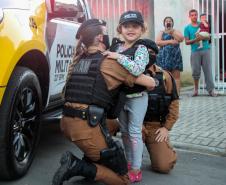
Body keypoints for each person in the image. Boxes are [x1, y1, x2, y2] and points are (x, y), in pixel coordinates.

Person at [52, 18, 156, 185]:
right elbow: (150, 84)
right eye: (106, 34)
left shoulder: (79, 59)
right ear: (100, 38)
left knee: (110, 129)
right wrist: (153, 77)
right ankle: (77, 166)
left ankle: (93, 157)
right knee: (124, 179)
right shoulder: (109, 62)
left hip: (66, 124)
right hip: (85, 129)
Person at [107, 38, 179, 174]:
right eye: (145, 50)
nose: (148, 54)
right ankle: (109, 155)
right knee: (108, 123)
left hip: (153, 127)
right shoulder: (126, 70)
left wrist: (166, 128)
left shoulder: (165, 76)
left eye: (151, 52)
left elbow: (174, 105)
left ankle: (164, 149)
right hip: (131, 121)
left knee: (163, 166)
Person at [104, 10, 155, 183]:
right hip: (120, 98)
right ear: (120, 29)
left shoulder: (141, 48)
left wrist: (118, 57)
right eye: (126, 26)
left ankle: (136, 168)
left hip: (138, 97)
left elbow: (137, 69)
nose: (130, 29)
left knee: (134, 132)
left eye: (135, 26)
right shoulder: (116, 46)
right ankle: (128, 163)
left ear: (142, 29)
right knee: (124, 132)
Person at [184, 9, 217, 97]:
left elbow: (208, 36)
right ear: (189, 17)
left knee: (208, 70)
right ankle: (196, 90)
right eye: (192, 15)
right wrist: (196, 40)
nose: (194, 16)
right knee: (195, 71)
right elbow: (186, 42)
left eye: (195, 15)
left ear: (197, 15)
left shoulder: (202, 24)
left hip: (205, 49)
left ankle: (211, 90)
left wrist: (203, 37)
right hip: (195, 51)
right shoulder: (187, 28)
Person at [156, 16, 184, 94]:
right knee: (166, 76)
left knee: (176, 77)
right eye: (166, 21)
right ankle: (168, 93)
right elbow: (158, 42)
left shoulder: (175, 31)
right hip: (164, 57)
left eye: (170, 21)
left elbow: (181, 39)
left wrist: (171, 32)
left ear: (172, 23)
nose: (168, 22)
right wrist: (170, 41)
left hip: (175, 56)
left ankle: (177, 94)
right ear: (164, 23)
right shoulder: (161, 32)